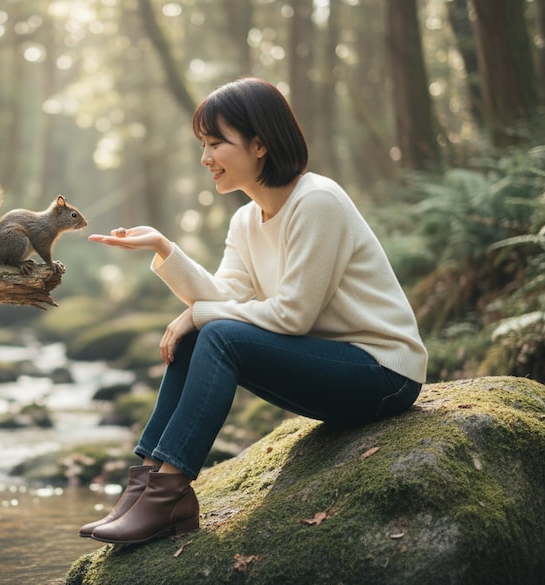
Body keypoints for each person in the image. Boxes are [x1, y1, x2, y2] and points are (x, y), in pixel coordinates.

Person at [81, 77, 428, 546]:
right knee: (204, 332)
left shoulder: (317, 201)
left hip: (382, 373)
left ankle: (169, 491)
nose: (205, 158)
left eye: (215, 143)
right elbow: (225, 296)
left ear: (259, 143)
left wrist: (200, 316)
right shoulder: (246, 220)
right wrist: (165, 247)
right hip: (330, 364)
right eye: (202, 145)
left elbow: (292, 317)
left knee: (215, 332)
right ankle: (147, 485)